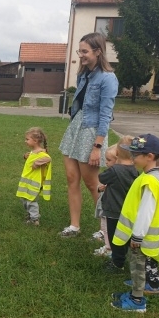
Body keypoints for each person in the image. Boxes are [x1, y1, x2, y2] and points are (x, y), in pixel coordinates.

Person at [58, 32, 118, 237]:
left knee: (93, 184)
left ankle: (106, 229)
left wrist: (98, 146)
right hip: (76, 128)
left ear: (98, 51)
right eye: (80, 50)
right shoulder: (83, 74)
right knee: (71, 177)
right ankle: (74, 226)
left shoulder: (108, 78)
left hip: (92, 133)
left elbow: (105, 114)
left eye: (85, 51)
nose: (81, 55)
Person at [110, 134, 159, 312]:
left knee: (137, 268)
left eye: (136, 155)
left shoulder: (149, 180)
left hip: (141, 238)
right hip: (142, 237)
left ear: (149, 157)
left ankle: (137, 301)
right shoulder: (149, 176)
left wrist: (137, 235)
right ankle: (135, 294)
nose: (133, 158)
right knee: (136, 267)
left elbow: (146, 211)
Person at [97, 136, 138, 269]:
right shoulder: (135, 170)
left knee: (115, 239)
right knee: (125, 235)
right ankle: (128, 257)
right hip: (127, 211)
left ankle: (117, 263)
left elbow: (102, 177)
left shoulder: (115, 170)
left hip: (113, 210)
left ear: (118, 154)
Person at [16, 127, 51, 226]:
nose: (25, 141)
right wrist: (26, 156)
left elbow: (48, 158)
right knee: (24, 199)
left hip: (34, 183)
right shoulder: (33, 152)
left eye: (27, 139)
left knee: (31, 200)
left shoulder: (41, 153)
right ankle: (30, 214)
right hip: (27, 181)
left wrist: (37, 163)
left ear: (35, 141)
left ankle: (34, 219)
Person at [92, 144, 118, 257]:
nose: (106, 162)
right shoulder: (111, 173)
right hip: (105, 204)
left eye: (109, 160)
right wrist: (100, 188)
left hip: (111, 208)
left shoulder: (116, 174)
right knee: (105, 227)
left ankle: (109, 249)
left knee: (108, 228)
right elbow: (100, 184)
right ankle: (109, 247)